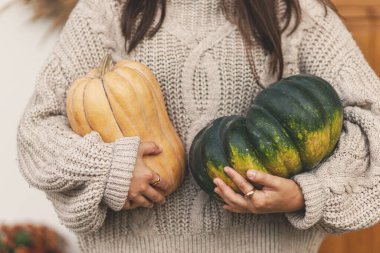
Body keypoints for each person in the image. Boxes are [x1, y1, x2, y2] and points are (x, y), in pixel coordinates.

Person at [16, 0, 380, 252]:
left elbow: (373, 121)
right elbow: (38, 131)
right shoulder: (107, 10)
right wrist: (108, 168)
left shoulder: (297, 12)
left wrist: (305, 194)